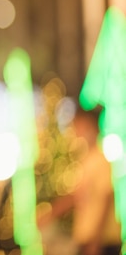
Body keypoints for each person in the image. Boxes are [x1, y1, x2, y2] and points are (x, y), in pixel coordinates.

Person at [38, 107, 122, 255]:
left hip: (102, 241)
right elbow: (76, 196)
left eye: (79, 125)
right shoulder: (86, 161)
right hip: (88, 238)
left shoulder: (100, 160)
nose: (75, 131)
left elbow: (106, 197)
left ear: (90, 126)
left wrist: (96, 240)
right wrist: (50, 214)